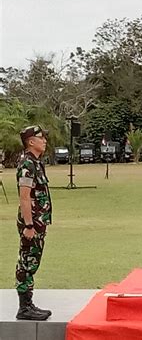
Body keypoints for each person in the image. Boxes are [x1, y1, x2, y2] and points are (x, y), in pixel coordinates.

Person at [15, 125, 53, 320]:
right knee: (27, 262)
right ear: (31, 141)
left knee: (32, 262)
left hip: (38, 222)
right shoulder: (27, 163)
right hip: (31, 224)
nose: (44, 140)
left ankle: (28, 304)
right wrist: (29, 225)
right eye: (41, 137)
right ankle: (24, 307)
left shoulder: (36, 162)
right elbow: (24, 197)